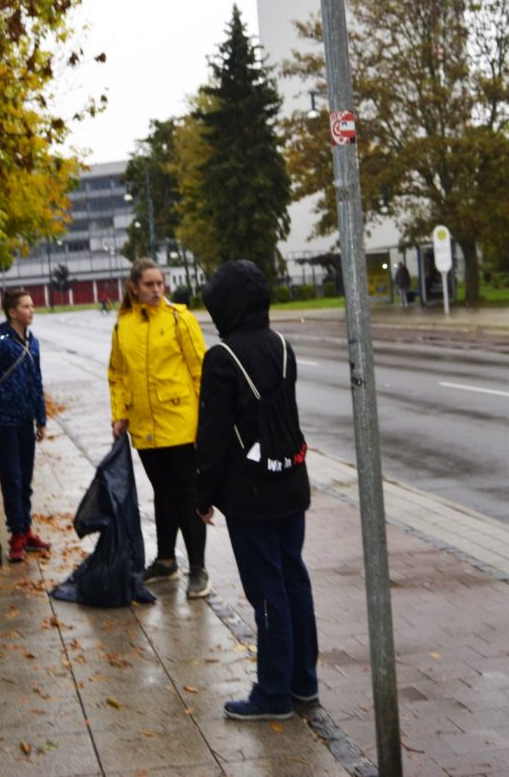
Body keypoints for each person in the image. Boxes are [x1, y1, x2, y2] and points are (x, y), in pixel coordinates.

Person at [194, 259, 319, 722]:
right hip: (291, 481)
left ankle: (273, 693)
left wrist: (202, 496)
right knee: (294, 579)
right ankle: (304, 682)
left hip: (250, 493)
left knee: (267, 591)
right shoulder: (283, 347)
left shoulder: (222, 358)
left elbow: (212, 438)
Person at [107, 258, 210, 599]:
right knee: (163, 495)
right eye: (149, 284)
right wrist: (119, 414)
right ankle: (166, 561)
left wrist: (206, 422)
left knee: (188, 497)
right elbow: (118, 374)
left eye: (159, 284)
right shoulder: (124, 325)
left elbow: (200, 372)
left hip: (181, 425)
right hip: (145, 429)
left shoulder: (181, 319)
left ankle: (198, 568)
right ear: (134, 287)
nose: (156, 290)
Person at [0, 289, 50, 563]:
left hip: (25, 421)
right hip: (4, 422)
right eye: (26, 306)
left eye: (32, 306)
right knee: (12, 479)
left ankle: (25, 529)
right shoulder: (1, 343)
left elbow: (36, 383)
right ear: (12, 312)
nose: (32, 310)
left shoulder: (34, 343)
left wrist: (41, 418)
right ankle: (16, 533)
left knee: (25, 479)